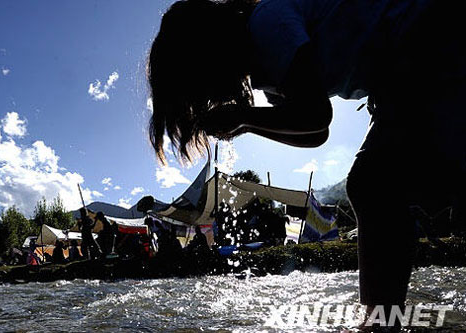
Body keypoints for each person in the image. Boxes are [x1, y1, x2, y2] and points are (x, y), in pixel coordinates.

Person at [147, 0, 466, 328]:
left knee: (375, 184)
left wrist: (244, 116)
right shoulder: (266, 73)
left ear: (208, 52)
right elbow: (316, 134)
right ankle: (383, 322)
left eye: (199, 86)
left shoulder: (266, 23)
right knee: (382, 186)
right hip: (399, 71)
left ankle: (380, 324)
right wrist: (247, 124)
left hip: (425, 35)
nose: (210, 96)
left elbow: (316, 114)